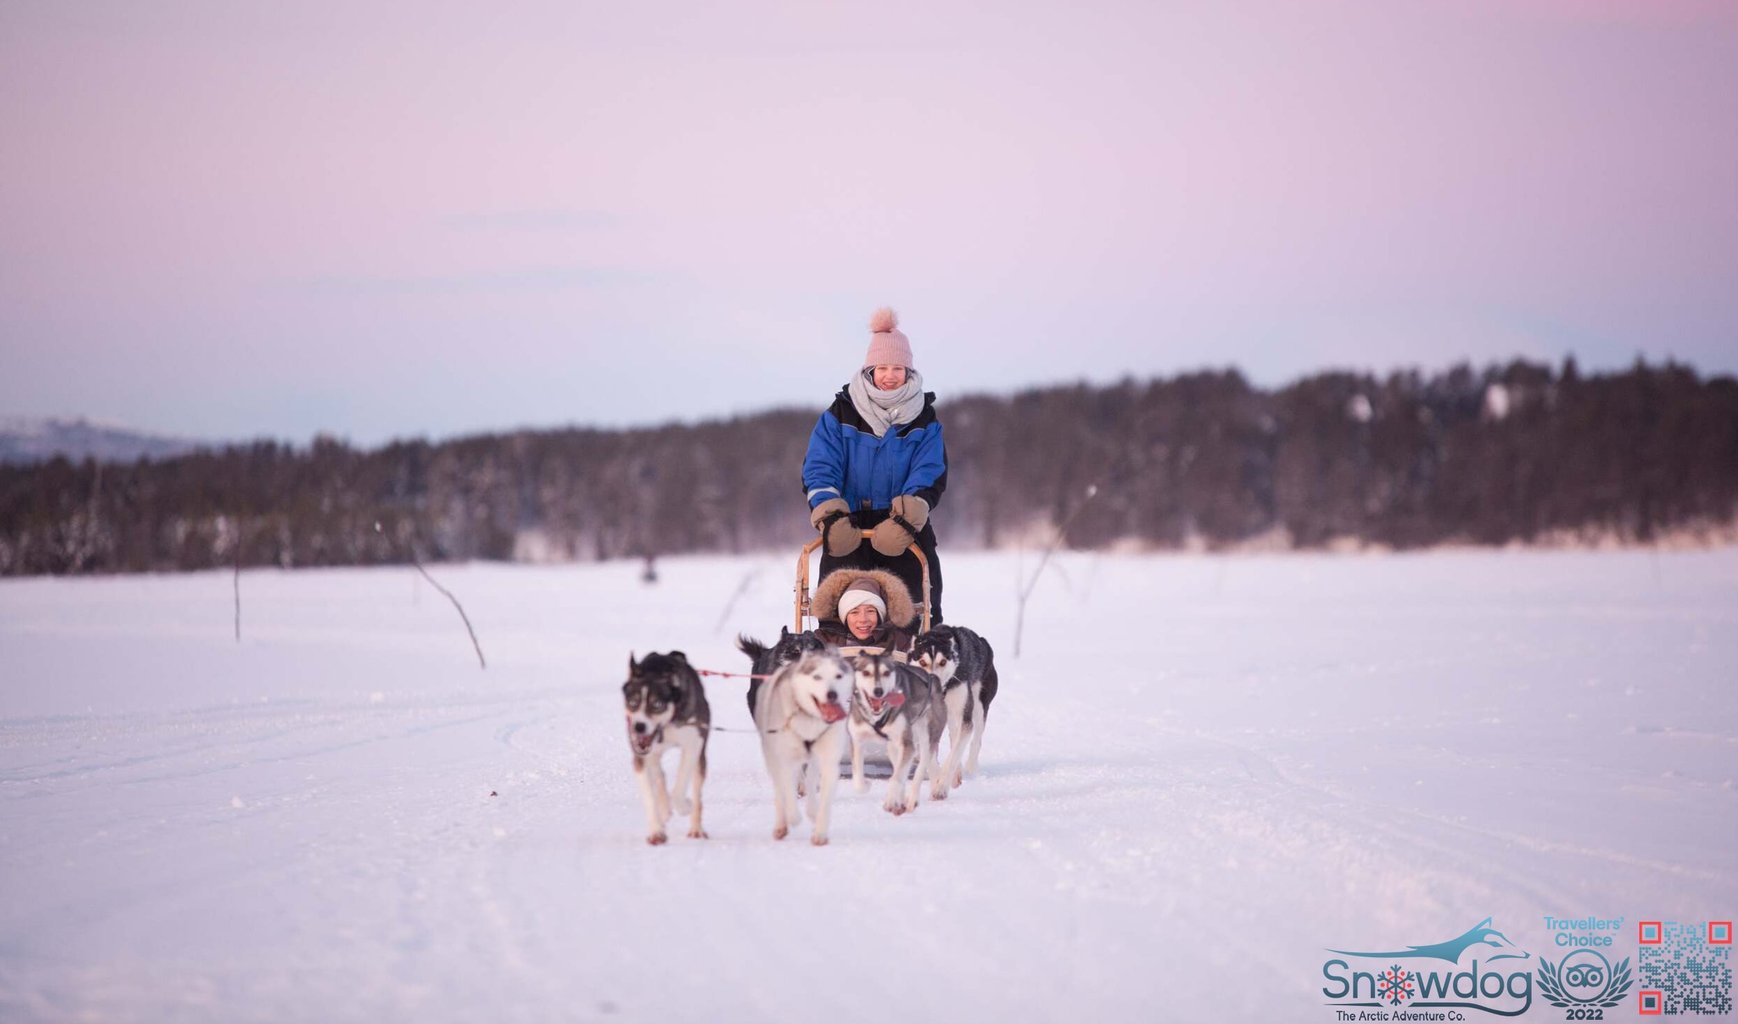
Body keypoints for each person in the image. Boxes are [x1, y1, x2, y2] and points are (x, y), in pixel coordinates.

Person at [802, 307, 947, 625]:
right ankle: (837, 666)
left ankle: (916, 665)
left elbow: (929, 470)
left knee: (915, 614)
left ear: (909, 372)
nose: (890, 375)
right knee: (840, 617)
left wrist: (907, 520)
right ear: (870, 369)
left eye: (898, 368)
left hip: (903, 531)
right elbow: (820, 466)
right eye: (882, 367)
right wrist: (832, 517)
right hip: (848, 527)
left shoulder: (924, 418)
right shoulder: (840, 415)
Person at [811, 572, 915, 652]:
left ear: (880, 615)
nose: (863, 619)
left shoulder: (900, 641)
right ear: (844, 617)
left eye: (870, 611)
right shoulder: (824, 640)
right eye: (854, 612)